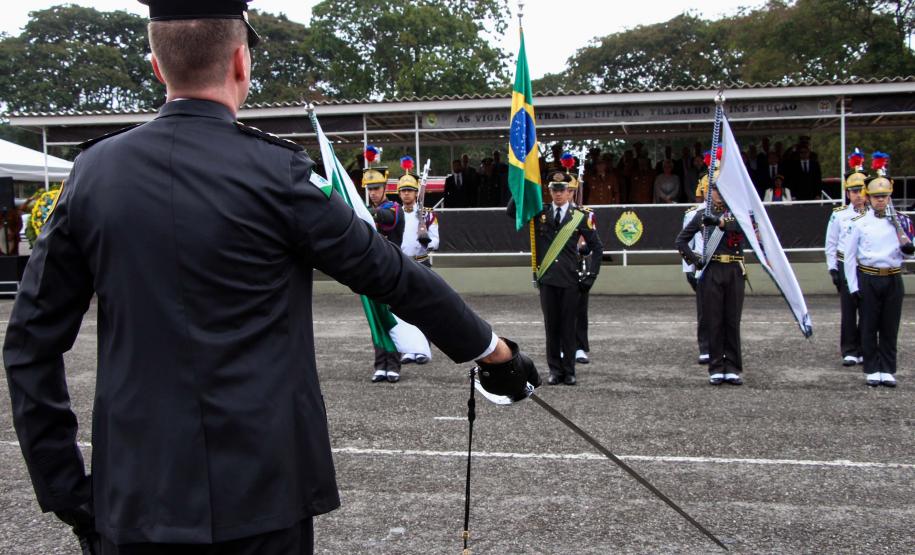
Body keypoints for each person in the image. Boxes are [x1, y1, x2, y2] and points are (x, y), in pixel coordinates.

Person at [3, 3, 538, 553]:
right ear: (241, 61)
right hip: (264, 496)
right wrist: (493, 351)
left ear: (158, 68)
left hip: (137, 497)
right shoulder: (277, 174)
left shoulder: (94, 174)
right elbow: (390, 274)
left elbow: (29, 345)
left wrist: (68, 490)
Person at [508, 172, 602, 385]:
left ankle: (569, 371)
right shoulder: (540, 212)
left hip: (570, 280)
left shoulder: (580, 216)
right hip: (548, 279)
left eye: (563, 190)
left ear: (570, 192)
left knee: (569, 327)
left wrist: (591, 275)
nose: (559, 194)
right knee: (552, 327)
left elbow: (597, 247)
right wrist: (520, 185)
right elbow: (512, 211)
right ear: (549, 191)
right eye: (554, 190)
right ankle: (555, 370)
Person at [844, 154, 915, 387]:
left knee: (889, 326)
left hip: (893, 277)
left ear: (889, 197)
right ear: (869, 198)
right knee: (869, 325)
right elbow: (850, 257)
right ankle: (872, 368)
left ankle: (888, 368)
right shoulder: (860, 223)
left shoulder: (901, 222)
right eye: (876, 197)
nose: (880, 201)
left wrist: (901, 234)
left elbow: (909, 252)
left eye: (884, 196)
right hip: (869, 277)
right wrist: (854, 286)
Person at [676, 180, 747, 386]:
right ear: (709, 191)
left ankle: (733, 367)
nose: (718, 193)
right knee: (714, 321)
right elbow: (681, 240)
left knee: (732, 321)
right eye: (715, 189)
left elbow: (744, 227)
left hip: (734, 269)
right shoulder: (701, 215)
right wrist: (694, 259)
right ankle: (716, 366)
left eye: (722, 189)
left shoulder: (737, 212)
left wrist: (719, 222)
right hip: (712, 270)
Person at [824, 154, 868, 367]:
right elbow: (831, 244)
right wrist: (832, 268)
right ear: (848, 193)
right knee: (849, 310)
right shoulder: (839, 215)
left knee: (869, 310)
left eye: (861, 191)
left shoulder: (874, 215)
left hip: (867, 266)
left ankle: (865, 347)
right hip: (845, 264)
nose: (858, 195)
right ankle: (850, 349)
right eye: (854, 191)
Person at [363, 165, 406, 382]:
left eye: (376, 188)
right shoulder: (365, 208)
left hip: (391, 271)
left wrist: (363, 212)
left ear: (385, 188)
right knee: (376, 320)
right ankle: (380, 364)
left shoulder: (394, 208)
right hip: (371, 271)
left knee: (391, 319)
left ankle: (394, 364)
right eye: (369, 189)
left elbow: (388, 218)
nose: (372, 193)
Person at [397, 166, 439, 366]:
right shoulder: (394, 213)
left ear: (416, 193)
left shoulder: (428, 214)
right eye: (403, 190)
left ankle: (423, 348)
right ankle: (408, 349)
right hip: (401, 265)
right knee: (403, 309)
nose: (407, 194)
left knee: (424, 308)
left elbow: (436, 242)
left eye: (410, 190)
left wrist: (426, 241)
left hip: (422, 264)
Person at [568, 176, 598, 364]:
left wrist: (582, 245)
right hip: (560, 266)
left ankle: (580, 347)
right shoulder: (552, 214)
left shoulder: (586, 214)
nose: (567, 194)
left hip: (579, 265)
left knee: (580, 310)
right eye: (564, 190)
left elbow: (592, 241)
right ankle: (564, 347)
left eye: (571, 190)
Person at [681, 174, 710, 365]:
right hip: (701, 267)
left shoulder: (729, 213)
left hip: (722, 265)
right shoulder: (693, 214)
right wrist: (688, 270)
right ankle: (706, 348)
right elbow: (686, 243)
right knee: (705, 310)